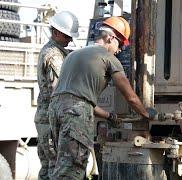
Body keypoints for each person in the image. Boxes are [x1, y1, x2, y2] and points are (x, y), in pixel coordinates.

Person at [48, 16, 156, 179]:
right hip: (75, 114)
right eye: (120, 44)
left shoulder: (72, 56)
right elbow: (131, 97)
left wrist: (109, 116)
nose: (120, 50)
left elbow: (77, 99)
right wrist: (146, 114)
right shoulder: (109, 58)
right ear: (110, 37)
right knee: (72, 170)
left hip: (55, 110)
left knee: (62, 165)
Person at [34, 11, 79, 180]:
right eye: (67, 35)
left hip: (44, 119)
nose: (70, 39)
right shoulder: (54, 55)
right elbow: (59, 91)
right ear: (56, 32)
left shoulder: (53, 51)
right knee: (56, 168)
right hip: (52, 121)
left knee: (47, 168)